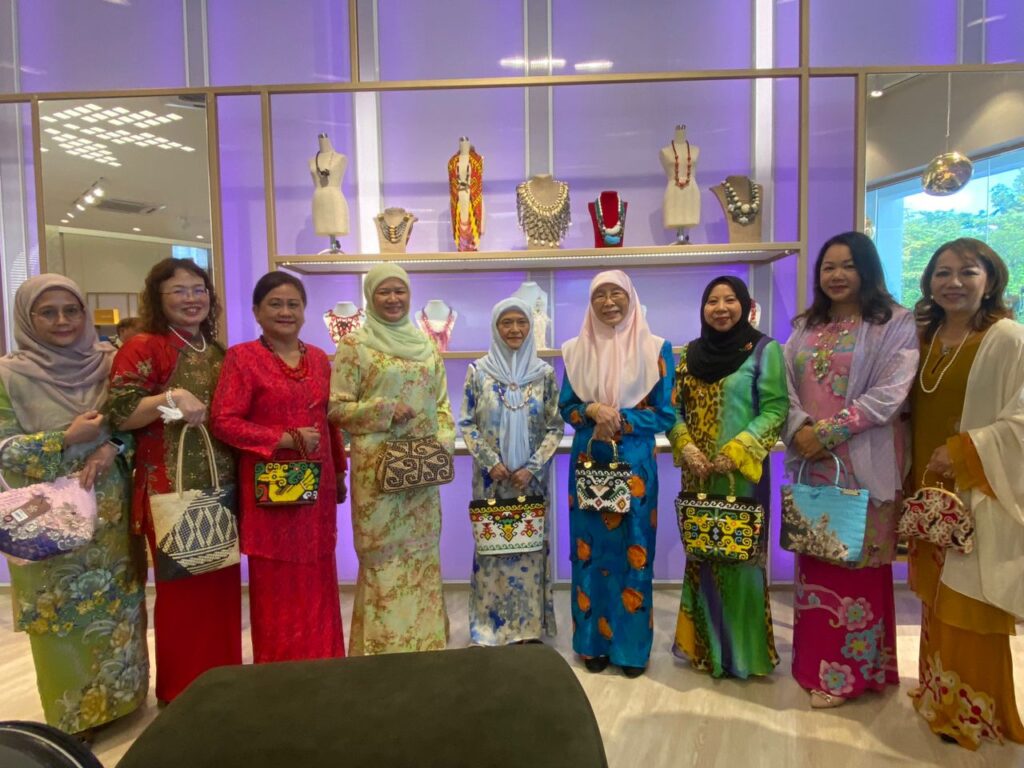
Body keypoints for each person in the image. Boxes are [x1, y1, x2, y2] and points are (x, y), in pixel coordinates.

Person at [0, 275, 147, 737]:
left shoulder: (109, 364)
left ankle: (125, 702)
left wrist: (110, 447)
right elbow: (4, 446)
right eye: (48, 312)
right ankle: (72, 720)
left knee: (118, 606)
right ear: (27, 318)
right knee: (59, 614)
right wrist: (64, 439)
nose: (62, 321)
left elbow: (133, 425)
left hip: (109, 513)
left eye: (71, 310)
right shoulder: (9, 375)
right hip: (48, 517)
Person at [783, 231, 918, 708]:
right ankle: (813, 665)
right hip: (813, 465)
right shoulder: (806, 326)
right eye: (828, 267)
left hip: (865, 464)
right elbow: (785, 386)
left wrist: (827, 433)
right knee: (816, 561)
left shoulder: (894, 322)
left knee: (857, 568)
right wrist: (800, 429)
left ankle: (852, 675)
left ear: (867, 269)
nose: (837, 275)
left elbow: (890, 393)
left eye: (848, 265)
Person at [906, 238, 1024, 749]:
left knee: (969, 602)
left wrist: (962, 451)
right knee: (935, 599)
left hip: (979, 489)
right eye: (943, 272)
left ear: (990, 279)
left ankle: (974, 714)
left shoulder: (1007, 338)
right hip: (930, 493)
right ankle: (938, 698)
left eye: (968, 272)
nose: (953, 282)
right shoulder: (926, 337)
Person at [108, 258, 241, 703]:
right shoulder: (145, 347)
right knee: (184, 595)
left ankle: (222, 685)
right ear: (157, 298)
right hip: (171, 488)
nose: (191, 298)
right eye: (179, 291)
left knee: (221, 591)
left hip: (220, 485)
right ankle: (183, 692)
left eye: (198, 289)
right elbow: (121, 413)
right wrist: (171, 396)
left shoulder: (216, 351)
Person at [211, 272, 347, 663]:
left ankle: (324, 665)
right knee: (278, 584)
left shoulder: (318, 358)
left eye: (293, 304)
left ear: (304, 311)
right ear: (257, 311)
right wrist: (282, 439)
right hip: (273, 492)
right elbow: (223, 420)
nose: (285, 312)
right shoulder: (242, 358)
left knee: (319, 576)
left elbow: (330, 422)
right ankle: (280, 673)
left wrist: (339, 471)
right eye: (275, 304)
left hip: (317, 492)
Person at [329, 264, 454, 656]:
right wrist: (383, 410)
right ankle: (382, 652)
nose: (393, 299)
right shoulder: (355, 346)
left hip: (420, 471)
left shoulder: (426, 346)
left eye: (400, 291)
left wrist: (443, 443)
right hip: (377, 476)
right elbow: (337, 409)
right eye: (384, 291)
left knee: (421, 556)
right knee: (382, 561)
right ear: (370, 296)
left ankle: (425, 647)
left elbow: (442, 405)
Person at [669, 276, 789, 678]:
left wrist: (736, 450)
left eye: (730, 300)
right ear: (703, 308)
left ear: (746, 305)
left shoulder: (765, 350)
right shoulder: (688, 354)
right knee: (701, 555)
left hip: (742, 476)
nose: (721, 308)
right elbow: (673, 410)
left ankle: (743, 656)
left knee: (741, 560)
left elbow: (775, 409)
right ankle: (704, 650)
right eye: (712, 301)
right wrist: (686, 446)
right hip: (698, 475)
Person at [560, 270, 675, 678]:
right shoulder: (574, 350)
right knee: (588, 552)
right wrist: (591, 410)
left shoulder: (657, 348)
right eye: (599, 295)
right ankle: (591, 643)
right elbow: (567, 408)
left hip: (635, 464)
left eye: (616, 294)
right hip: (589, 458)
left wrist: (620, 419)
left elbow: (665, 413)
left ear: (631, 298)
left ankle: (630, 649)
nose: (608, 302)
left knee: (635, 551)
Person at [459, 297, 563, 645]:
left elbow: (556, 427)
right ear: (495, 327)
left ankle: (528, 628)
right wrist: (491, 462)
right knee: (492, 551)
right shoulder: (478, 372)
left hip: (530, 483)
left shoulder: (544, 374)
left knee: (530, 551)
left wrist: (532, 467)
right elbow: (466, 423)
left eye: (521, 322)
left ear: (530, 327)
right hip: (492, 482)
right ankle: (489, 627)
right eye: (507, 322)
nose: (515, 329)